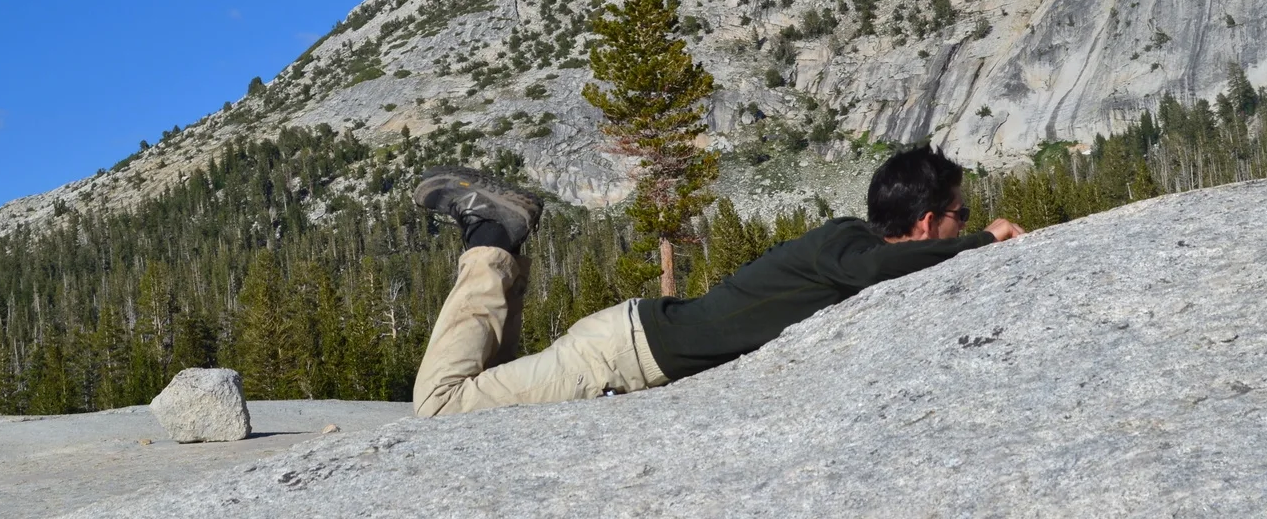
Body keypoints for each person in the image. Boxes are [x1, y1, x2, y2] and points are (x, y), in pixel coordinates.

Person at [411, 144, 1025, 417]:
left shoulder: (849, 243)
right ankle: (490, 237)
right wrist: (984, 243)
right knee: (443, 408)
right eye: (960, 214)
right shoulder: (851, 245)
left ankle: (502, 244)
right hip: (619, 356)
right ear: (924, 223)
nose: (967, 222)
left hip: (626, 344)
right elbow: (876, 269)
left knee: (489, 389)